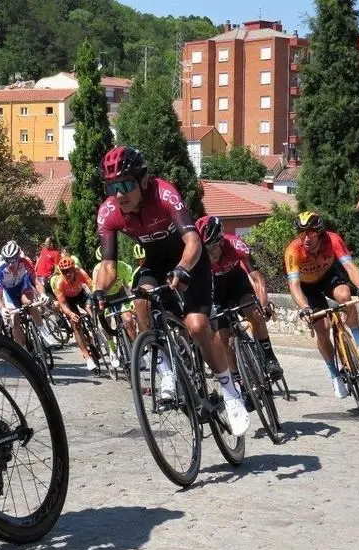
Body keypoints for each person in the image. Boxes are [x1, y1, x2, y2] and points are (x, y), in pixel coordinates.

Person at [94, 145, 249, 437]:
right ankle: (165, 369)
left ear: (142, 180)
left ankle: (230, 391)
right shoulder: (109, 212)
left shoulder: (164, 193)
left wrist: (182, 269)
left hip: (191, 259)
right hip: (155, 263)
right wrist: (99, 291)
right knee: (140, 298)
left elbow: (192, 240)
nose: (119, 194)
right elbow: (109, 266)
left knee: (197, 325)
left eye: (126, 184)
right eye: (112, 186)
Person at [285, 211, 359, 399]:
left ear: (319, 232)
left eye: (310, 232)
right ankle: (335, 374)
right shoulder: (293, 250)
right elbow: (294, 285)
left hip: (328, 277)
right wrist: (304, 308)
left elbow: (350, 267)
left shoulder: (332, 239)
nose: (306, 237)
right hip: (307, 288)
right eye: (301, 233)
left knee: (345, 295)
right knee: (322, 329)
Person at [195, 215, 284, 386]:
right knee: (224, 339)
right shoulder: (199, 258)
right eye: (204, 249)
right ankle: (238, 382)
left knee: (255, 314)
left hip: (237, 283)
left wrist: (263, 304)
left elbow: (257, 279)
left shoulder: (234, 244)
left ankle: (269, 358)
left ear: (221, 241)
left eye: (212, 247)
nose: (209, 253)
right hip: (215, 291)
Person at [0, 241, 54, 348]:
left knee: (29, 303)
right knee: (14, 319)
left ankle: (43, 331)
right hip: (8, 293)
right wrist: (2, 309)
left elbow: (36, 281)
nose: (10, 264)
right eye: (7, 260)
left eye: (12, 260)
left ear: (18, 258)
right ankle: (23, 349)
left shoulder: (25, 262)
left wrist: (42, 294)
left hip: (22, 286)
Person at [91, 245, 137, 354]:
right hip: (105, 296)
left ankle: (137, 350)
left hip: (120, 294)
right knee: (106, 320)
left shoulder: (122, 266)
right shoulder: (97, 270)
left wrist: (133, 303)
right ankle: (112, 350)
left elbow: (129, 285)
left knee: (128, 320)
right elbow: (95, 290)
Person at [55, 257, 98, 371]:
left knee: (90, 307)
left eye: (69, 271)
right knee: (75, 324)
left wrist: (95, 297)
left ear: (74, 270)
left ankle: (97, 329)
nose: (67, 274)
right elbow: (63, 304)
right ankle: (87, 357)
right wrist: (70, 314)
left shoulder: (80, 273)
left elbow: (92, 286)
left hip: (81, 295)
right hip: (69, 301)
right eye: (64, 272)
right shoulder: (59, 283)